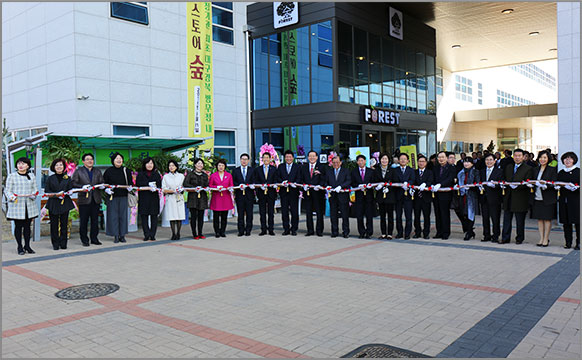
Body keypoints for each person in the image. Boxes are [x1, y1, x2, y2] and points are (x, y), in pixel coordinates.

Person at [5, 157, 39, 255]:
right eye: (19, 163)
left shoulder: (31, 176)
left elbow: (35, 189)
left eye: (23, 164)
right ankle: (19, 246)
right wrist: (12, 197)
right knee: (18, 227)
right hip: (17, 206)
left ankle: (27, 246)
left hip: (29, 205)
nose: (20, 165)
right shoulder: (12, 176)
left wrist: (33, 194)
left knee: (28, 227)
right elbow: (8, 190)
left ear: (28, 166)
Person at [501, 148, 534, 244]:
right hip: (508, 197)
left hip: (520, 198)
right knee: (506, 219)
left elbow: (528, 182)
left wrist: (517, 186)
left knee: (520, 221)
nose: (517, 158)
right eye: (515, 156)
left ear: (524, 157)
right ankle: (505, 238)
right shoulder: (509, 167)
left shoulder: (528, 169)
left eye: (519, 156)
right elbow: (504, 178)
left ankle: (519, 238)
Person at [72, 153, 104, 246]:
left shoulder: (97, 171)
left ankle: (94, 238)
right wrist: (82, 186)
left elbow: (102, 182)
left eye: (91, 159)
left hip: (95, 199)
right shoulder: (79, 171)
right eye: (87, 159)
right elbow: (73, 183)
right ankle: (84, 240)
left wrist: (102, 186)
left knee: (95, 221)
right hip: (84, 200)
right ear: (83, 161)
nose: (90, 161)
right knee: (84, 221)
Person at [45, 159, 75, 250]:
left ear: (64, 167)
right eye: (57, 165)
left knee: (64, 224)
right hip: (53, 203)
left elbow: (70, 189)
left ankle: (63, 243)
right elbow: (47, 191)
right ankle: (55, 243)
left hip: (64, 203)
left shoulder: (67, 177)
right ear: (53, 167)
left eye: (61, 165)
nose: (59, 167)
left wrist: (69, 193)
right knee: (53, 224)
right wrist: (56, 195)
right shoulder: (50, 178)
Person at [103, 152, 133, 243]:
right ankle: (115, 235)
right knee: (113, 216)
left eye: (120, 158)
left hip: (123, 196)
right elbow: (104, 184)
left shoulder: (126, 170)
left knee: (123, 216)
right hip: (112, 197)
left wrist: (130, 188)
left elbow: (130, 182)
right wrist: (107, 190)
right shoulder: (108, 171)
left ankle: (122, 235)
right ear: (113, 161)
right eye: (117, 158)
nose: (119, 160)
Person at [530, 150, 558, 247]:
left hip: (547, 198)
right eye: (541, 157)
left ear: (548, 159)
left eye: (545, 157)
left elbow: (554, 183)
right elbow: (532, 181)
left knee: (547, 219)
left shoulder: (552, 169)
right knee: (539, 219)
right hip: (537, 197)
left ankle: (546, 239)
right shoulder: (535, 169)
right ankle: (541, 238)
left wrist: (546, 185)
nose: (542, 159)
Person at [300, 150, 326, 237]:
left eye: (313, 156)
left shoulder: (322, 167)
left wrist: (319, 185)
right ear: (308, 158)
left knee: (319, 212)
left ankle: (319, 230)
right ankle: (310, 230)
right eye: (310, 156)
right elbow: (301, 179)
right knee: (308, 212)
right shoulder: (304, 167)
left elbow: (325, 179)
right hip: (307, 193)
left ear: (317, 157)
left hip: (318, 193)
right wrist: (303, 186)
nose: (312, 158)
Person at [135, 157, 162, 241]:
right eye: (148, 163)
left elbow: (159, 185)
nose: (149, 165)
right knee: (144, 217)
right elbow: (138, 184)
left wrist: (154, 186)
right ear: (144, 164)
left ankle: (152, 234)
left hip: (154, 198)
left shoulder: (156, 174)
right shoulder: (140, 174)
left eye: (151, 163)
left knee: (154, 217)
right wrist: (148, 184)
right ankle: (146, 234)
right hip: (144, 198)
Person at [557, 152, 580, 250]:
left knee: (578, 223)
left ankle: (579, 243)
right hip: (564, 200)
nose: (568, 161)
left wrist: (576, 188)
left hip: (576, 200)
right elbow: (557, 182)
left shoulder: (578, 171)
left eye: (570, 159)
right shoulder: (561, 172)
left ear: (574, 160)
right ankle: (568, 242)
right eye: (566, 159)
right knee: (566, 223)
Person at [325, 155, 351, 238]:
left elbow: (348, 180)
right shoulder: (329, 171)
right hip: (333, 196)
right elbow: (325, 181)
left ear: (341, 162)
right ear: (331, 163)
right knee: (333, 214)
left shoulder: (346, 171)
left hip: (343, 196)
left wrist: (341, 186)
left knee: (344, 215)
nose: (335, 164)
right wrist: (327, 186)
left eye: (337, 162)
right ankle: (334, 231)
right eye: (334, 162)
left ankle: (346, 231)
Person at [479, 153, 504, 242]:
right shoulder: (481, 171)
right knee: (485, 218)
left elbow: (501, 183)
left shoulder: (499, 171)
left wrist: (495, 185)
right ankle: (486, 235)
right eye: (487, 160)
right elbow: (479, 181)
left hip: (495, 198)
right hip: (484, 198)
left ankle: (496, 235)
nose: (488, 162)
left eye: (490, 160)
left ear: (494, 161)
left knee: (495, 218)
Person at [277, 150, 301, 236]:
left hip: (294, 192)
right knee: (284, 211)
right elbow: (277, 177)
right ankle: (286, 228)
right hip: (283, 193)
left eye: (290, 157)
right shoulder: (280, 166)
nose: (288, 158)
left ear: (293, 158)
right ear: (284, 158)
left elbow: (299, 178)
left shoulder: (297, 167)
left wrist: (295, 183)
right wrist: (282, 182)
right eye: (287, 157)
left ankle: (294, 229)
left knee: (294, 212)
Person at [392, 153, 416, 239]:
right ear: (398, 160)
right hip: (398, 196)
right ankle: (399, 232)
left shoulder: (411, 170)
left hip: (408, 196)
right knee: (398, 216)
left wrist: (408, 183)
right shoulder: (395, 170)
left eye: (404, 159)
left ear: (408, 161)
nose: (402, 160)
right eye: (401, 159)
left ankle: (407, 233)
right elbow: (394, 180)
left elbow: (413, 179)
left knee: (408, 215)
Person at [184, 158, 209, 240]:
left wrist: (205, 187)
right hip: (193, 197)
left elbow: (207, 184)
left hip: (202, 197)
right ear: (195, 165)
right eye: (198, 163)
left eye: (201, 164)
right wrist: (194, 187)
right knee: (194, 216)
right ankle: (194, 233)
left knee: (201, 217)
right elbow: (185, 184)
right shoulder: (190, 174)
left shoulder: (204, 175)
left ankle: (200, 233)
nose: (200, 165)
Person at [253, 152, 278, 236]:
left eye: (267, 157)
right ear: (262, 159)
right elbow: (255, 181)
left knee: (271, 212)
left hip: (271, 193)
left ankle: (271, 229)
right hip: (261, 193)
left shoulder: (274, 169)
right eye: (264, 158)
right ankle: (263, 229)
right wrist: (260, 187)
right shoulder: (258, 169)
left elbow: (276, 180)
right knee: (262, 212)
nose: (266, 159)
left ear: (270, 159)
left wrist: (274, 185)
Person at [433, 151, 456, 240]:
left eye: (442, 157)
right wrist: (432, 184)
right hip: (436, 194)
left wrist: (441, 184)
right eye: (439, 157)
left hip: (446, 194)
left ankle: (446, 233)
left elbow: (450, 178)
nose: (441, 159)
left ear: (446, 158)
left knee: (444, 214)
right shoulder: (435, 168)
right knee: (437, 214)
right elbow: (433, 178)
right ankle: (439, 232)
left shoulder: (451, 168)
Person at [351, 154, 375, 239]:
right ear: (357, 162)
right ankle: (361, 232)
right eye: (359, 161)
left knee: (369, 215)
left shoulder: (371, 171)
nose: (361, 162)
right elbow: (352, 183)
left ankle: (369, 232)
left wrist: (369, 185)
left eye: (362, 160)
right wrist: (358, 185)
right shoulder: (354, 172)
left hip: (369, 197)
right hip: (359, 197)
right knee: (359, 215)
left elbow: (374, 182)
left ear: (365, 161)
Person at [209, 159, 234, 238]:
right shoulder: (213, 175)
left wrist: (230, 188)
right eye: (219, 165)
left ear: (225, 167)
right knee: (216, 216)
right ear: (216, 166)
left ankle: (222, 231)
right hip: (216, 198)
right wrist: (216, 187)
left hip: (226, 197)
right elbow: (210, 186)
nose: (221, 167)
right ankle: (217, 231)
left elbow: (231, 185)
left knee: (224, 216)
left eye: (222, 165)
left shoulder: (228, 175)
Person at [162, 160, 186, 240]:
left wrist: (180, 190)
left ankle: (178, 233)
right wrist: (171, 191)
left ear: (176, 166)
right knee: (171, 216)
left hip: (179, 197)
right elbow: (163, 188)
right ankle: (173, 233)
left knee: (179, 216)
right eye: (169, 166)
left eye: (173, 165)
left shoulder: (181, 176)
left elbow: (184, 186)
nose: (171, 167)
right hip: (170, 197)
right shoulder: (166, 177)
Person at [457, 157, 480, 240]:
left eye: (468, 162)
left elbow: (477, 183)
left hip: (471, 195)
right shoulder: (460, 173)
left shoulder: (475, 172)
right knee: (462, 213)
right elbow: (458, 182)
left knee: (470, 214)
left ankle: (469, 232)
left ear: (472, 163)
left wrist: (470, 187)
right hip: (462, 195)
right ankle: (469, 230)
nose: (466, 164)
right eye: (465, 162)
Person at [374, 153, 395, 239]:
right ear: (380, 160)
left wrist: (389, 187)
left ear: (389, 160)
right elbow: (374, 181)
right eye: (382, 159)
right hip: (380, 196)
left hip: (390, 195)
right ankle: (383, 233)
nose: (384, 160)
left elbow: (395, 181)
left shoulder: (392, 170)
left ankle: (389, 233)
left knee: (390, 215)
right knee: (382, 216)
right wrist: (377, 187)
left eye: (386, 159)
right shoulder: (376, 170)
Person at [232, 154, 254, 236]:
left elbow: (254, 180)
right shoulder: (235, 170)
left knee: (249, 213)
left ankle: (248, 230)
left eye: (246, 159)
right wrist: (239, 185)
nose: (244, 161)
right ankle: (241, 230)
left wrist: (251, 185)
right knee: (240, 213)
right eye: (242, 159)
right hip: (239, 195)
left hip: (249, 195)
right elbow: (233, 182)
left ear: (248, 161)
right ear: (240, 160)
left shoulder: (252, 170)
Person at [413, 155, 433, 239]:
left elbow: (431, 181)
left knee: (426, 216)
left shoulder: (429, 172)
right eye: (420, 161)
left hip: (426, 198)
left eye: (423, 161)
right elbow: (413, 181)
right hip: (416, 197)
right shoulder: (414, 172)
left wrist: (425, 184)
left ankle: (426, 233)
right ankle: (417, 232)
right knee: (416, 216)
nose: (421, 163)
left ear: (426, 163)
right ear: (417, 162)